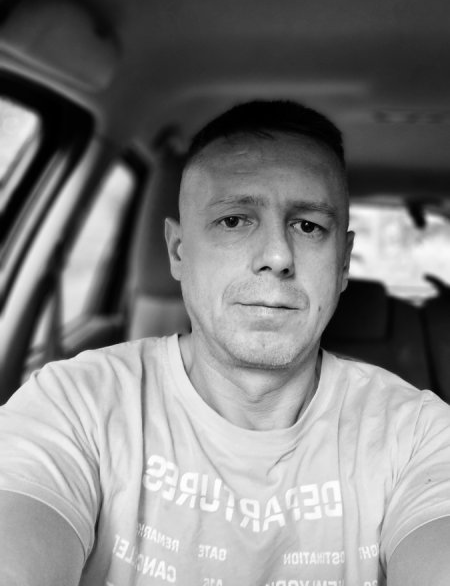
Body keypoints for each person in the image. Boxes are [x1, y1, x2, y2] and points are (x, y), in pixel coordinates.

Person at [1, 99, 450, 586]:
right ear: (178, 250)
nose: (277, 256)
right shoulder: (74, 405)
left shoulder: (419, 436)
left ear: (342, 264)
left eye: (308, 226)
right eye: (234, 220)